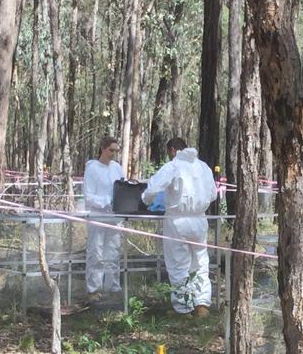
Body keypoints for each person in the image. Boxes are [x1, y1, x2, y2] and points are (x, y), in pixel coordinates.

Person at [142, 137, 217, 317]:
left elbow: (152, 189)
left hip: (177, 221)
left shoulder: (173, 166)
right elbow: (213, 194)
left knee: (178, 264)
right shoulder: (203, 166)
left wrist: (145, 200)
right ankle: (202, 305)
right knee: (200, 263)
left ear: (173, 150)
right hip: (199, 220)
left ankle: (183, 308)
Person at [83, 135, 125, 298]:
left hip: (115, 217)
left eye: (116, 151)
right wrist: (107, 201)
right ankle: (94, 288)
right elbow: (89, 196)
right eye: (110, 150)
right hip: (97, 216)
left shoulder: (117, 168)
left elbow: (123, 187)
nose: (113, 153)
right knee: (96, 252)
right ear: (102, 148)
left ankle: (113, 287)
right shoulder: (92, 168)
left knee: (113, 253)